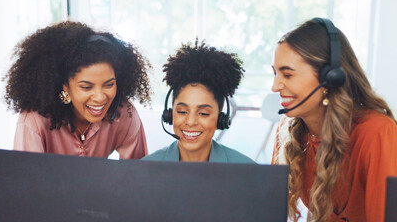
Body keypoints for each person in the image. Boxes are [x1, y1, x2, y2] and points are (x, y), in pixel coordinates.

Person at [271, 18, 397, 221]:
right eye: (275, 73)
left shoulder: (376, 132)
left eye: (287, 74)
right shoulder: (288, 130)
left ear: (330, 78)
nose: (275, 86)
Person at [3, 21, 152, 159]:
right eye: (86, 87)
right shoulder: (34, 120)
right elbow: (27, 181)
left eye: (108, 85)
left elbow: (138, 176)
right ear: (65, 86)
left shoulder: (124, 115)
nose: (100, 97)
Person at [143, 41, 255, 163]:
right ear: (169, 115)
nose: (190, 122)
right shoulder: (145, 169)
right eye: (182, 112)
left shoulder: (248, 171)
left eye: (203, 113)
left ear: (220, 118)